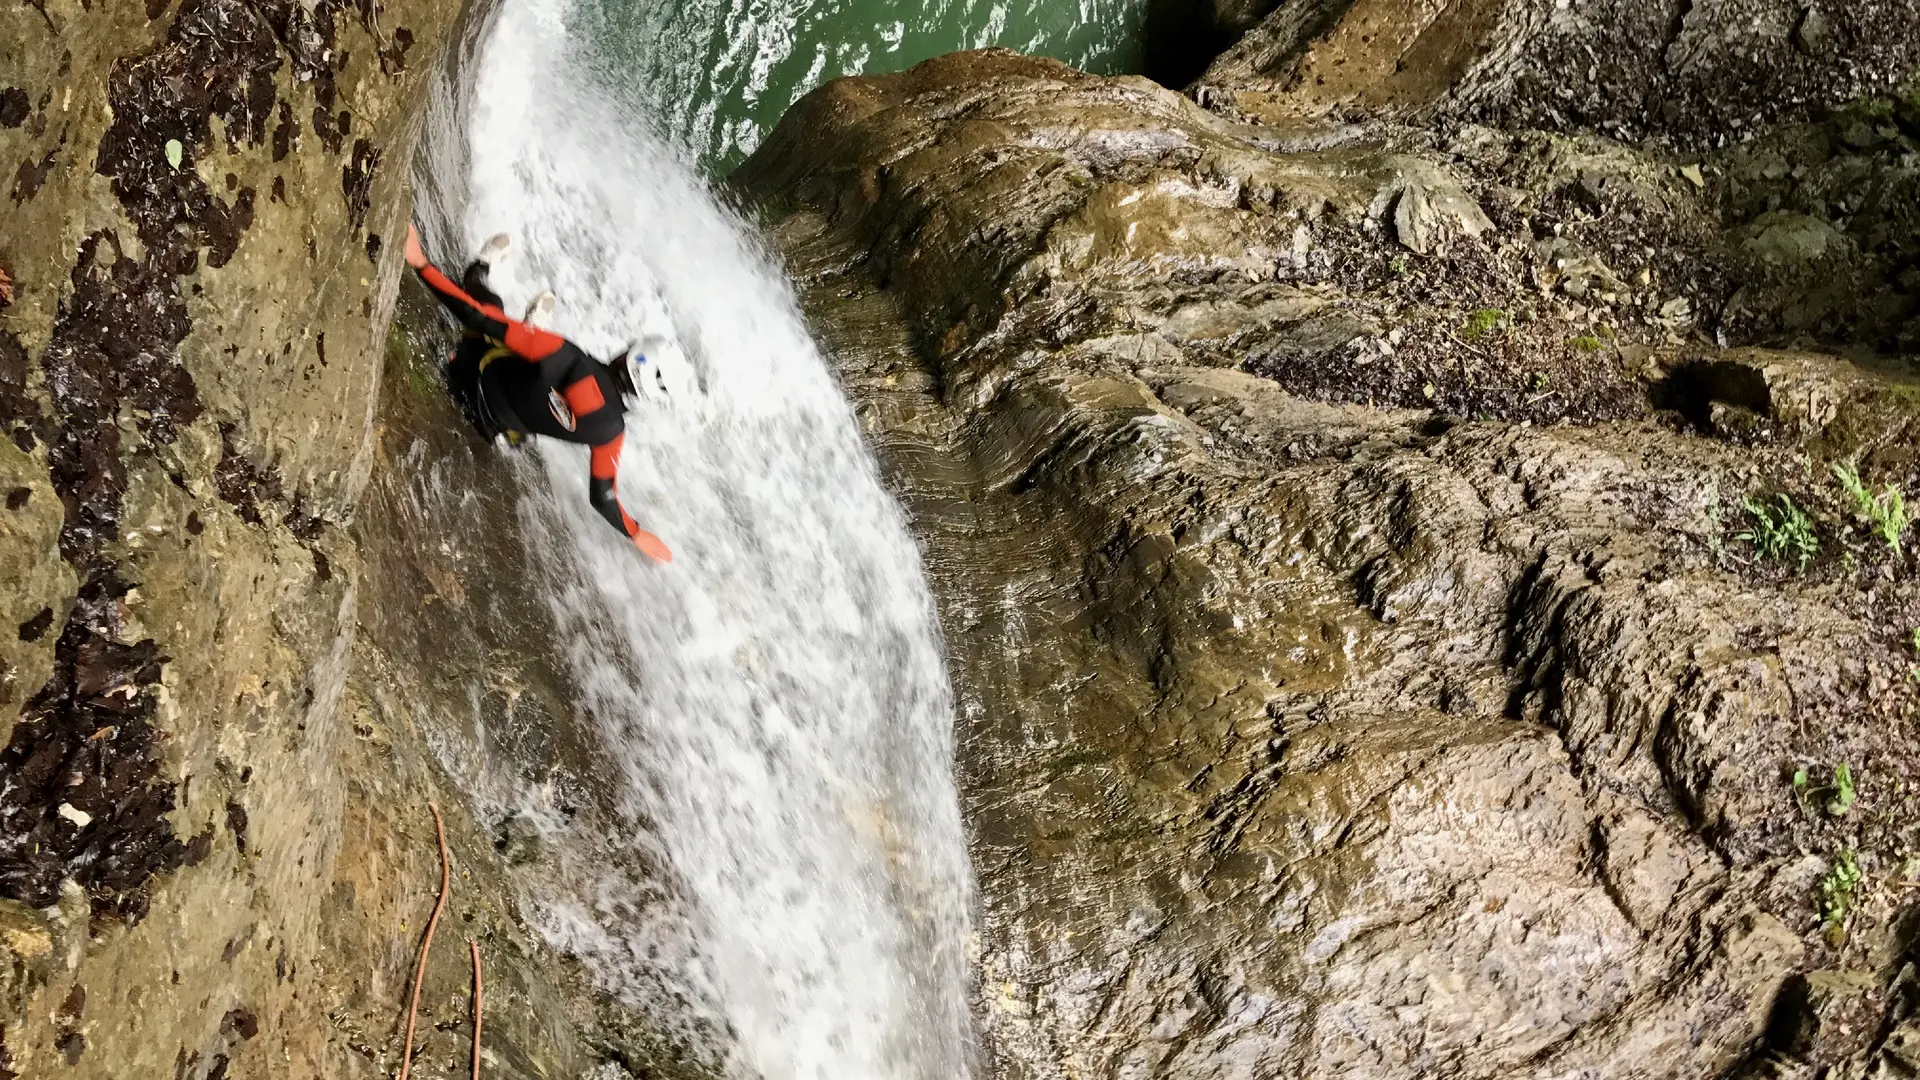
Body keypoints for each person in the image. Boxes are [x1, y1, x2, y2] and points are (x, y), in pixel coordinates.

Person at [403, 223, 672, 564]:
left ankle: (481, 269)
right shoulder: (611, 434)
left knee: (488, 304)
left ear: (627, 353)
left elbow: (476, 316)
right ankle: (528, 335)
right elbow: (603, 497)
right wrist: (635, 532)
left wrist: (420, 263)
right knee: (530, 393)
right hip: (493, 430)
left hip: (466, 377)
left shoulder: (568, 356)